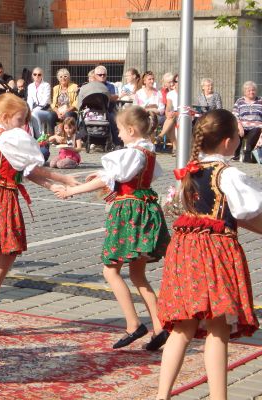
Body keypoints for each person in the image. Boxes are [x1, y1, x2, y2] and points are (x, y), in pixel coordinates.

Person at [0, 93, 79, 333]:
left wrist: (54, 187)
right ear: (6, 117)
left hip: (5, 196)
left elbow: (27, 172)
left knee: (9, 252)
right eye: (21, 120)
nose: (23, 125)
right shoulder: (5, 137)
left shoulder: (4, 136)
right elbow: (33, 167)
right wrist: (63, 178)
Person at [156, 109, 261, 400]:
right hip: (214, 251)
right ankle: (218, 397)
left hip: (185, 250)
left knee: (183, 325)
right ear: (227, 142)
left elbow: (228, 214)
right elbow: (245, 212)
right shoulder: (229, 174)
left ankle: (161, 395)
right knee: (218, 325)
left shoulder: (192, 169)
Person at [53, 106, 170, 351]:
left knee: (111, 270)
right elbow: (125, 175)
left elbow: (111, 179)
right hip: (144, 208)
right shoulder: (147, 152)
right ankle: (160, 325)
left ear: (130, 129)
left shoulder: (132, 153)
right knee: (138, 275)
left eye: (119, 130)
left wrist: (71, 191)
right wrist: (104, 174)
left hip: (128, 212)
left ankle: (133, 324)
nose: (118, 134)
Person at [232, 81, 262, 163]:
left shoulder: (260, 101)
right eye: (249, 90)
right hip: (242, 125)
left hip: (256, 127)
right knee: (236, 132)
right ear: (244, 92)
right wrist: (239, 126)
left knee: (255, 132)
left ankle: (247, 155)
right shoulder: (239, 101)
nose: (251, 92)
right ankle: (236, 155)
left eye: (253, 90)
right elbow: (234, 115)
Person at [27, 67, 55, 138]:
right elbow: (29, 99)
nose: (37, 76)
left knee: (34, 113)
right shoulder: (30, 86)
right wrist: (29, 109)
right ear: (32, 75)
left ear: (42, 76)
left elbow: (45, 101)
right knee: (28, 113)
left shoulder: (46, 85)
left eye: (39, 74)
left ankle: (39, 136)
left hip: (46, 109)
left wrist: (34, 110)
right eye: (35, 74)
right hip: (34, 108)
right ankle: (31, 135)